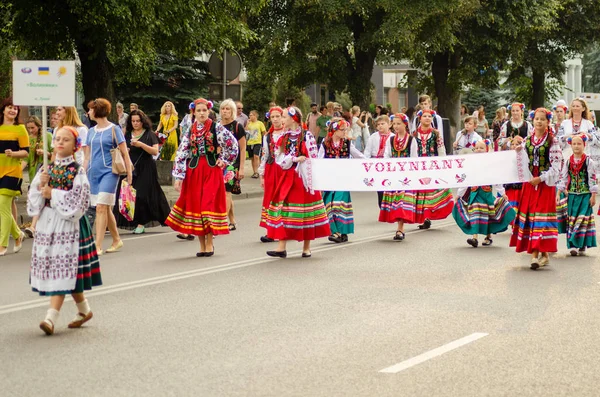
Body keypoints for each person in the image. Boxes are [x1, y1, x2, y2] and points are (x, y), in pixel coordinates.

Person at [27, 126, 101, 335]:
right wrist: (40, 188)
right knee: (66, 271)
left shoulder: (77, 170)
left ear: (75, 145)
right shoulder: (46, 168)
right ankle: (84, 310)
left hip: (69, 224)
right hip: (48, 224)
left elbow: (81, 201)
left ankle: (51, 317)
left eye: (66, 140)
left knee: (63, 269)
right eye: (58, 138)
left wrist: (54, 193)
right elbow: (35, 200)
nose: (60, 142)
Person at [165, 98, 239, 257]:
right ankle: (202, 245)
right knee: (196, 207)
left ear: (209, 111)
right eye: (198, 111)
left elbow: (232, 144)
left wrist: (224, 160)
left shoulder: (216, 127)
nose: (202, 113)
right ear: (194, 112)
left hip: (211, 170)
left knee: (207, 206)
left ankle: (210, 243)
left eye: (204, 110)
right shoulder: (190, 129)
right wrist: (179, 176)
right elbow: (182, 152)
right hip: (194, 171)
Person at [264, 107, 330, 258]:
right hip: (287, 178)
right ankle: (281, 247)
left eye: (284, 117)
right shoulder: (284, 137)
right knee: (284, 210)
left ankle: (306, 247)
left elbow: (314, 158)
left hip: (303, 179)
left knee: (306, 212)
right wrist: (293, 159)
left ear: (293, 119)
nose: (281, 120)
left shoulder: (307, 136)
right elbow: (279, 158)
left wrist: (305, 163)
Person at [511, 108, 563, 270]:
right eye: (536, 119)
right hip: (530, 184)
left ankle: (534, 256)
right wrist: (517, 151)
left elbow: (556, 167)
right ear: (533, 121)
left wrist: (540, 178)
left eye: (542, 119)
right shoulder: (528, 140)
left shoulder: (552, 142)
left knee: (540, 218)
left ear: (548, 122)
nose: (539, 122)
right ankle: (544, 255)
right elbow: (521, 159)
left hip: (544, 185)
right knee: (531, 216)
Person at [84, 98, 133, 255]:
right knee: (105, 208)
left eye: (91, 109)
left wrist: (129, 175)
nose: (88, 112)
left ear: (97, 111)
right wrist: (81, 174)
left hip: (109, 173)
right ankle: (117, 239)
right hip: (93, 174)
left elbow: (125, 153)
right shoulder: (90, 131)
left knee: (100, 207)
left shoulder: (114, 129)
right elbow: (86, 157)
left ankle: (97, 245)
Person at [113, 110, 170, 234]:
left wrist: (141, 144)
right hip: (131, 167)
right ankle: (132, 221)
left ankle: (141, 223)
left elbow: (155, 151)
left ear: (142, 121)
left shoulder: (150, 134)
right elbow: (120, 148)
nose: (135, 123)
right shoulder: (127, 134)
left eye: (138, 121)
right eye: (133, 121)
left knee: (142, 195)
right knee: (129, 196)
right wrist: (125, 150)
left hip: (146, 167)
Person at [452, 140, 516, 247]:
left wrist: (502, 192)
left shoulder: (490, 164)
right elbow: (466, 180)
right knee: (475, 213)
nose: (478, 150)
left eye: (481, 148)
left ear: (486, 149)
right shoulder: (471, 164)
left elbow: (496, 180)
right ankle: (474, 237)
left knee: (488, 216)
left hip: (486, 195)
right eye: (476, 148)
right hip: (474, 195)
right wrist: (459, 194)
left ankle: (488, 236)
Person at [318, 118, 364, 243]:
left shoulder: (347, 143)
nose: (345, 132)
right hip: (329, 180)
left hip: (343, 180)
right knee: (329, 204)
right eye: (342, 130)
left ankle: (342, 232)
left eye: (345, 129)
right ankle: (336, 232)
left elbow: (359, 156)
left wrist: (370, 165)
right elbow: (319, 161)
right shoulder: (325, 143)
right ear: (334, 130)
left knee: (339, 204)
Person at [378, 113, 419, 241]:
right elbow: (387, 156)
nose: (395, 126)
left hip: (406, 177)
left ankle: (400, 229)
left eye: (398, 124)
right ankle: (399, 227)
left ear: (405, 124)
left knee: (402, 203)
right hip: (394, 175)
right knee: (396, 202)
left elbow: (414, 158)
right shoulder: (391, 140)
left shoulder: (411, 140)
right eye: (394, 124)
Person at [556, 134, 597, 256]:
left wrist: (593, 195)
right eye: (574, 144)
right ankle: (573, 245)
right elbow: (563, 178)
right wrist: (559, 193)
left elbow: (593, 180)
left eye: (579, 144)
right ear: (571, 145)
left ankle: (582, 244)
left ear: (584, 145)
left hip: (585, 195)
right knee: (572, 220)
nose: (576, 146)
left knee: (582, 219)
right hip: (572, 195)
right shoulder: (568, 162)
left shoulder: (589, 162)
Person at [413, 109, 454, 229]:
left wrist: (443, 163)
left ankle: (430, 214)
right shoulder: (414, 134)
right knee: (421, 192)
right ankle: (424, 217)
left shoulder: (436, 133)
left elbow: (441, 149)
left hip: (432, 166)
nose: (427, 118)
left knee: (432, 190)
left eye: (429, 116)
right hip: (419, 166)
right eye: (424, 116)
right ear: (420, 119)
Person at [0, 98, 28, 255]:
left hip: (12, 172)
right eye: (9, 107)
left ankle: (2, 244)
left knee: (3, 207)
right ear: (3, 110)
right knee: (2, 208)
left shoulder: (20, 129)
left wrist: (14, 153)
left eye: (15, 108)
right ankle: (18, 235)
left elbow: (26, 152)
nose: (12, 110)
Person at [258, 106, 285, 243]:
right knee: (270, 198)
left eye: (277, 116)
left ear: (282, 117)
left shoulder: (288, 133)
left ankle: (284, 228)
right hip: (271, 168)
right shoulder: (267, 136)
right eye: (272, 117)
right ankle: (270, 231)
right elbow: (265, 154)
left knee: (283, 198)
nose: (275, 119)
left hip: (284, 169)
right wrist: (262, 174)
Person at [219, 99, 246, 230]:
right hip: (219, 164)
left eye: (228, 109)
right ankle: (232, 221)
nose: (225, 111)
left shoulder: (237, 126)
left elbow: (242, 148)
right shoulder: (217, 126)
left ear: (233, 111)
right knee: (224, 193)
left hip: (232, 165)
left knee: (226, 191)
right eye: (223, 109)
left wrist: (241, 168)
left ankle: (222, 221)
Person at [364, 114, 394, 208]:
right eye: (378, 124)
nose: (380, 126)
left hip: (389, 164)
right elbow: (368, 150)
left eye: (382, 123)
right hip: (376, 163)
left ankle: (390, 206)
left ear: (389, 125)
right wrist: (366, 162)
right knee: (379, 186)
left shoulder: (393, 137)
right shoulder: (373, 137)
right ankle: (381, 206)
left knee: (389, 184)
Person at [23, 116, 53, 184]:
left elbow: (55, 153)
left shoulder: (48, 136)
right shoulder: (28, 139)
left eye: (32, 128)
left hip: (45, 170)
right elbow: (26, 158)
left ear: (39, 126)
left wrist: (45, 153)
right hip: (33, 172)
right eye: (28, 128)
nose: (30, 130)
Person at [246, 110, 266, 179]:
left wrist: (265, 141)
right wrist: (247, 124)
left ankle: (258, 171)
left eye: (251, 115)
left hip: (257, 142)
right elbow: (246, 132)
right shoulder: (249, 123)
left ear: (255, 116)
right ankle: (255, 172)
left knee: (256, 156)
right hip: (249, 142)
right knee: (252, 158)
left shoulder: (259, 123)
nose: (250, 116)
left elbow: (264, 132)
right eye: (249, 115)